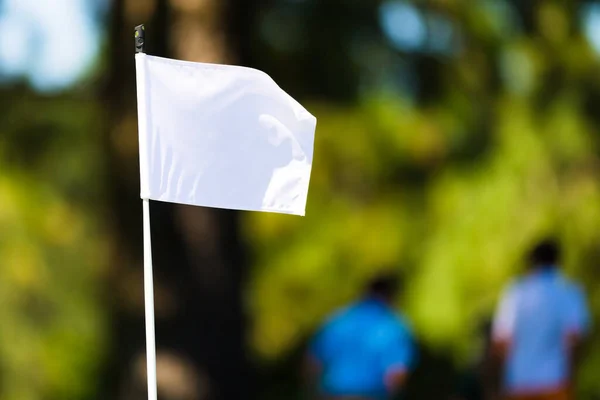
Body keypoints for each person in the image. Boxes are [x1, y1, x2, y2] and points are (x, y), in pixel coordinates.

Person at [491, 239, 591, 400]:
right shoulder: (568, 292)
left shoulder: (516, 293)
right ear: (558, 262)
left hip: (519, 383)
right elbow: (574, 339)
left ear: (530, 263)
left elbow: (501, 342)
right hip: (555, 382)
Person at [305, 272, 416, 400]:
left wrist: (312, 392)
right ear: (392, 296)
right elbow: (396, 373)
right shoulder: (394, 326)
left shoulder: (338, 319)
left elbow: (313, 362)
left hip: (332, 394)